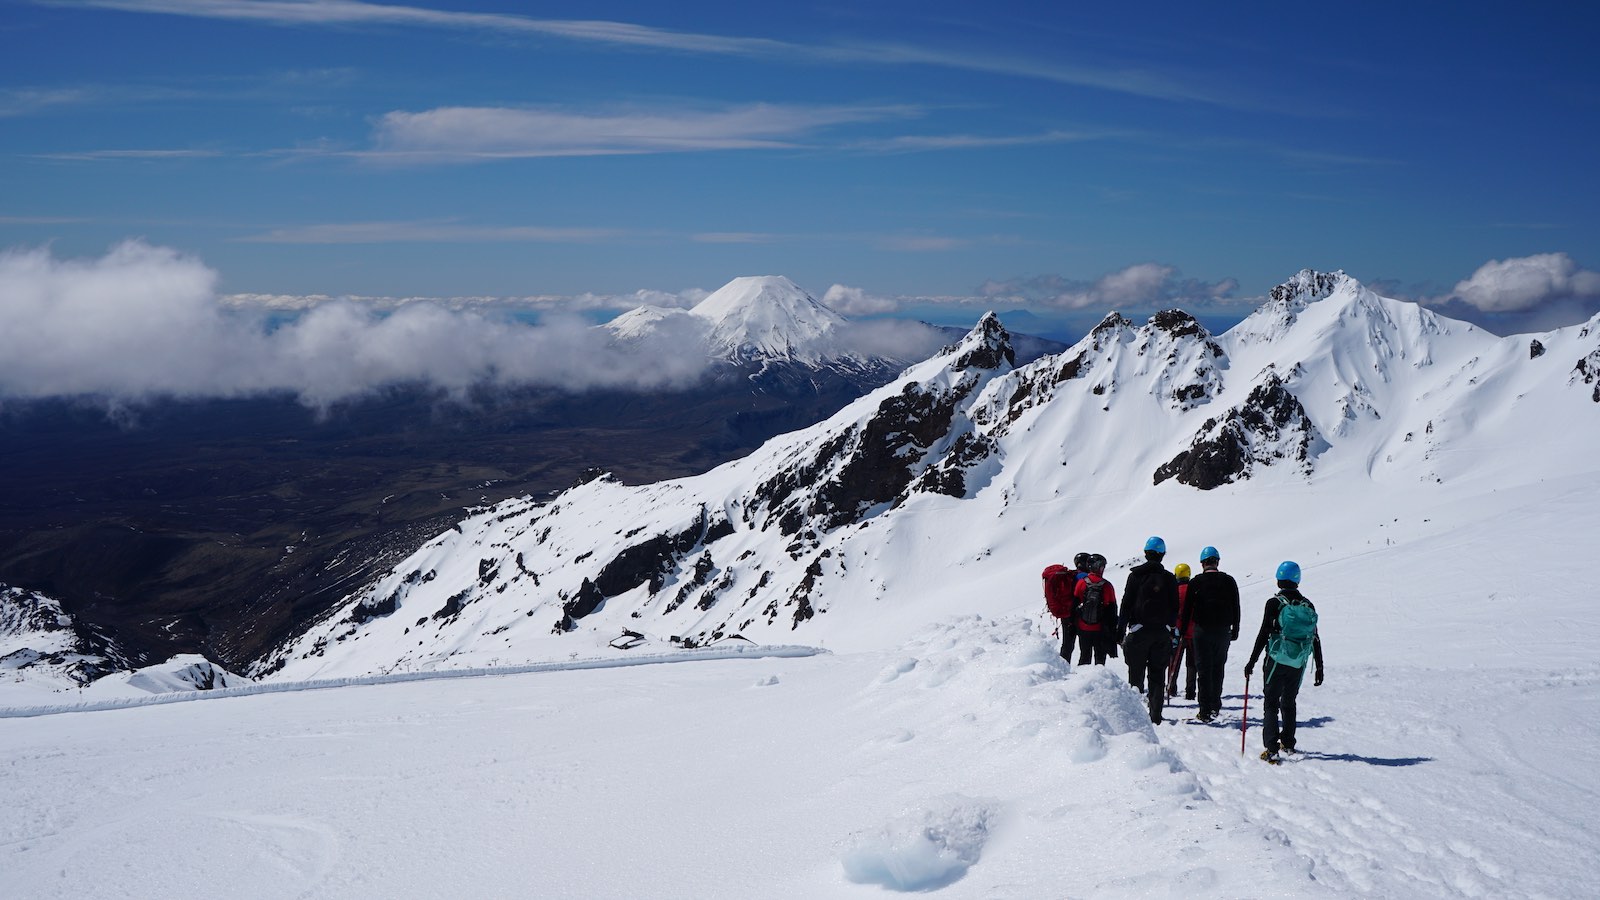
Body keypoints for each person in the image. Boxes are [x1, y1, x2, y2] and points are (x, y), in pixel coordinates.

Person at [1243, 561, 1325, 763]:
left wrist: (1251, 662)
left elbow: (1263, 633)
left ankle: (1271, 748)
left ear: (1279, 579)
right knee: (1289, 702)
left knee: (1271, 703)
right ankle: (1288, 743)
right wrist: (1320, 666)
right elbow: (1315, 637)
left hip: (1276, 659)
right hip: (1298, 662)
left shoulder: (1274, 603)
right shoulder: (1308, 605)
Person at [1120, 536, 1181, 724]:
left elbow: (1126, 604)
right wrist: (1170, 627)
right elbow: (1174, 607)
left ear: (1146, 553)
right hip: (1161, 633)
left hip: (1138, 632)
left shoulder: (1135, 576)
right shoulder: (1169, 578)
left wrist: (1121, 629)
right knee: (1157, 675)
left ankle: (1135, 716)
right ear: (1162, 554)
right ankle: (1155, 715)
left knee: (1135, 675)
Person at [1180, 546, 1241, 723]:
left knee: (1204, 669)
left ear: (1202, 563)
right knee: (1218, 668)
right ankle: (1215, 704)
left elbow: (1187, 611)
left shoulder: (1196, 582)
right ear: (1217, 562)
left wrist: (1184, 631)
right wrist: (1235, 629)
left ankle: (1204, 709)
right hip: (1223, 631)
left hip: (1201, 631)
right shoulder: (1229, 581)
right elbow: (1236, 606)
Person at [1072, 554, 1117, 665]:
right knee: (1100, 660)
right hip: (1100, 629)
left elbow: (1074, 604)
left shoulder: (1081, 582)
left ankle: (1080, 680)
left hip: (1083, 627)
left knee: (1084, 657)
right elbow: (1112, 610)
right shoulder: (1107, 586)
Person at [1041, 556, 1082, 661]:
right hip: (1078, 613)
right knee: (1085, 645)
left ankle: (1063, 667)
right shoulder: (1080, 577)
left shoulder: (1070, 576)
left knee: (1067, 644)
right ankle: (1086, 671)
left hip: (1065, 613)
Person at [1165, 563, 1196, 701]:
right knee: (1192, 663)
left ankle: (1171, 687)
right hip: (1193, 631)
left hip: (1177, 630)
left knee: (1174, 661)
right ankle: (1190, 691)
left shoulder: (1174, 591)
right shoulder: (1194, 590)